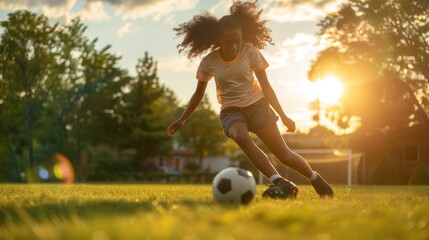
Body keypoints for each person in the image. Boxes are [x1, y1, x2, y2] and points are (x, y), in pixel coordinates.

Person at [167, 1, 333, 198]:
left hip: (258, 105)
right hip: (231, 110)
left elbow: (266, 86)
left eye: (237, 40)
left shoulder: (250, 51)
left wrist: (283, 115)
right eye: (228, 42)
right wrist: (182, 119)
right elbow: (198, 94)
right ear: (218, 40)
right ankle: (279, 182)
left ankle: (316, 179)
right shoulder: (208, 62)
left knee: (284, 155)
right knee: (240, 136)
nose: (234, 45)